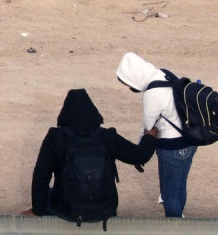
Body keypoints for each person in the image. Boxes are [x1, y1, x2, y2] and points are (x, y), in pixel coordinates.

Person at [30, 89, 157, 222]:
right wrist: (150, 137)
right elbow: (139, 156)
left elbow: (41, 176)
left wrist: (37, 211)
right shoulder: (107, 137)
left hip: (67, 210)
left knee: (50, 193)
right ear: (94, 112)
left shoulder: (56, 137)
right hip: (104, 209)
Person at [116, 52, 195, 218]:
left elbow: (148, 127)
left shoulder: (152, 93)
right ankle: (180, 219)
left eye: (128, 83)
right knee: (180, 186)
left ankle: (174, 228)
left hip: (172, 148)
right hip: (190, 141)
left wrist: (140, 152)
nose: (130, 87)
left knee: (169, 194)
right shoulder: (166, 73)